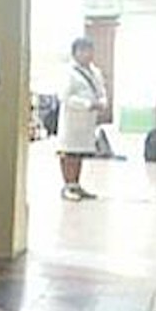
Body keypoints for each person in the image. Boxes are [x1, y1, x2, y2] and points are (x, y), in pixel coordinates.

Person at [56, 36, 107, 201]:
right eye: (83, 50)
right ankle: (67, 186)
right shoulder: (68, 72)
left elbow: (101, 91)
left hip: (88, 122)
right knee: (69, 152)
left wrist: (102, 102)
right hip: (72, 119)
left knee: (79, 152)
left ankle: (76, 185)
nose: (87, 54)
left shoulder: (95, 72)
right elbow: (64, 96)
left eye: (89, 50)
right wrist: (87, 104)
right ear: (75, 53)